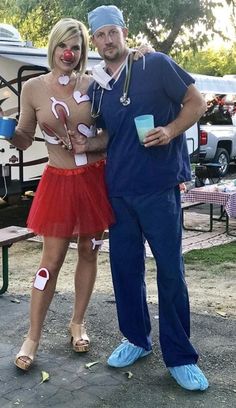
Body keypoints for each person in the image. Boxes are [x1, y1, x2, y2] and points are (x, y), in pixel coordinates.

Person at [73, 4, 209, 391]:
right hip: (118, 190)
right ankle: (136, 339)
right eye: (99, 35)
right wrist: (88, 141)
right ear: (94, 40)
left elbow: (196, 103)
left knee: (169, 271)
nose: (106, 41)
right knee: (125, 271)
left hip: (160, 187)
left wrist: (169, 131)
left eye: (112, 32)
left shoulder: (155, 64)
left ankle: (181, 357)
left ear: (124, 32)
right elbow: (108, 137)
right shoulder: (99, 86)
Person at [7, 18, 116, 371]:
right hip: (59, 183)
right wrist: (10, 134)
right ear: (53, 47)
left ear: (83, 52)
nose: (69, 53)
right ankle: (32, 337)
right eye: (63, 46)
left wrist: (140, 54)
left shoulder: (96, 83)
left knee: (89, 249)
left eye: (77, 47)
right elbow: (25, 136)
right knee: (49, 263)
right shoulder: (34, 88)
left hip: (94, 181)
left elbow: (115, 130)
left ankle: (77, 323)